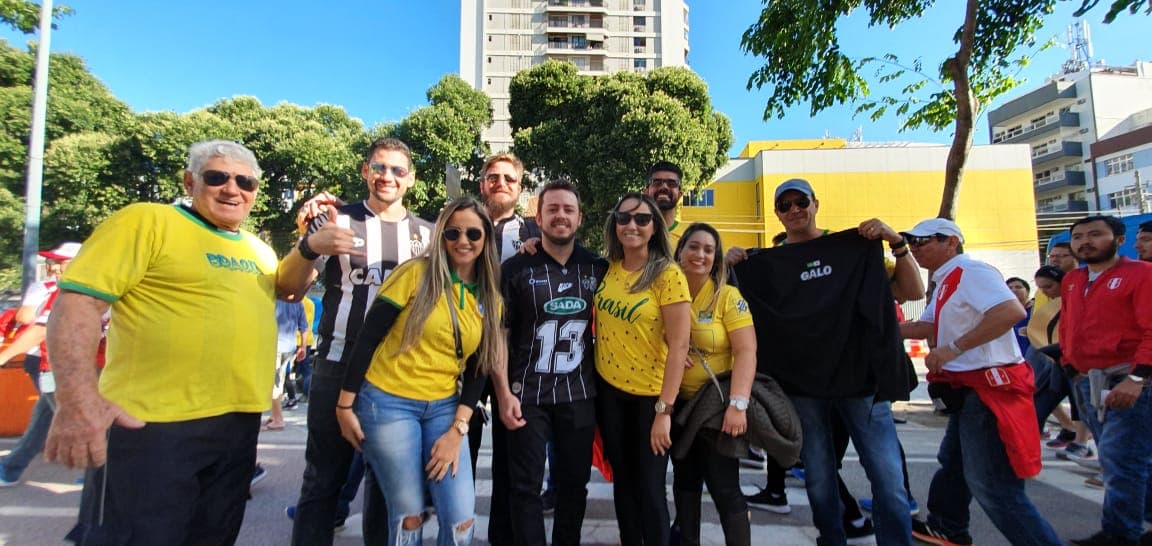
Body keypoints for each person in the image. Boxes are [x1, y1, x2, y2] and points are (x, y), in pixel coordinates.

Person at [44, 140, 280, 544]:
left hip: (238, 426)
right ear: (190, 181)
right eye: (217, 177)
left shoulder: (260, 251)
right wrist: (76, 400)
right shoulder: (146, 220)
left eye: (245, 182)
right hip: (151, 425)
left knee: (213, 537)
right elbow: (78, 304)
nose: (232, 189)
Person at [728, 178, 919, 545]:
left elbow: (912, 292)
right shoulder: (769, 263)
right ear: (777, 214)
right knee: (817, 475)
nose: (794, 210)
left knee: (887, 477)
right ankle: (831, 538)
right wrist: (729, 265)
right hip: (803, 388)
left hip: (861, 383)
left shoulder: (854, 248)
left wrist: (897, 243)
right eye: (785, 205)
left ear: (815, 204)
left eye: (801, 201)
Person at [278, 137, 432, 544]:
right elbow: (289, 290)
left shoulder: (428, 235)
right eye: (379, 167)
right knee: (322, 480)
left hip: (396, 372)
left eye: (398, 170)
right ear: (365, 171)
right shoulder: (335, 221)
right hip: (337, 363)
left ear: (411, 179)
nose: (387, 177)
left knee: (385, 487)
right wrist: (308, 246)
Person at [335, 197, 504, 546]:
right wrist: (344, 405)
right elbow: (368, 338)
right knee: (409, 515)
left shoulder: (491, 298)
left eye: (473, 233)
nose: (463, 240)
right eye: (453, 232)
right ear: (441, 236)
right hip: (388, 402)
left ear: (486, 238)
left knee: (461, 520)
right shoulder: (415, 274)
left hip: (444, 405)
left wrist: (458, 430)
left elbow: (478, 369)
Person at [899, 218, 1062, 546]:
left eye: (923, 240)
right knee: (954, 463)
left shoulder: (972, 272)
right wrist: (868, 328)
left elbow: (1010, 312)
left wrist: (954, 348)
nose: (915, 247)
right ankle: (947, 526)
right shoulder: (947, 279)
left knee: (993, 485)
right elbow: (926, 326)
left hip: (990, 389)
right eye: (911, 241)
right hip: (969, 388)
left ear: (951, 242)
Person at [492, 180, 607, 546]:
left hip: (578, 393)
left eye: (568, 209)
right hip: (527, 393)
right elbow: (499, 336)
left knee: (574, 485)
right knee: (524, 487)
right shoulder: (515, 269)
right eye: (552, 209)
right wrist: (503, 394)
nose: (561, 216)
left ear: (580, 218)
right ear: (538, 218)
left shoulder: (598, 268)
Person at [594, 192, 691, 546]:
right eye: (623, 218)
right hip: (609, 393)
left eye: (642, 219)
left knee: (650, 488)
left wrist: (664, 411)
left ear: (654, 228)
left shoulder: (668, 275)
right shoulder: (607, 268)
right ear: (614, 225)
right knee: (623, 482)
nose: (631, 225)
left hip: (651, 399)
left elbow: (680, 345)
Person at [1060, 215, 1152, 546]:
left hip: (1128, 380)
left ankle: (1120, 535)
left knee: (1120, 460)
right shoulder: (1073, 280)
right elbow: (1068, 324)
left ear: (1119, 240)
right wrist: (1069, 365)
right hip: (1086, 380)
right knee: (1121, 460)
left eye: (1095, 234)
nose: (1085, 241)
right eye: (1078, 236)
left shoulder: (1142, 274)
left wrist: (1137, 378)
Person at [669, 223, 755, 546]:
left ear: (716, 258)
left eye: (709, 249)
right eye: (693, 246)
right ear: (680, 251)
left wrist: (738, 404)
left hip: (716, 409)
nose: (700, 255)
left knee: (724, 488)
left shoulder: (728, 297)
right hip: (677, 406)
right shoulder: (664, 293)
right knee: (685, 483)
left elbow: (746, 351)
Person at [475, 152, 540, 546]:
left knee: (510, 461)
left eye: (509, 179)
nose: (501, 183)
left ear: (519, 187)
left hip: (515, 359)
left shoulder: (536, 231)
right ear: (482, 183)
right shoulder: (462, 224)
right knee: (455, 452)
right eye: (493, 177)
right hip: (463, 355)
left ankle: (502, 537)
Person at [0, 243, 80, 486]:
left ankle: (102, 476)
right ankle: (10, 468)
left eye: (60, 262)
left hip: (75, 367)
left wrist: (4, 356)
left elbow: (37, 327)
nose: (53, 267)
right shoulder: (58, 290)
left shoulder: (77, 290)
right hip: (51, 364)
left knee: (74, 421)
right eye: (51, 262)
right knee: (53, 417)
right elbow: (39, 328)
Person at [266, 300, 308, 430]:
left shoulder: (273, 299)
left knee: (275, 383)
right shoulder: (297, 302)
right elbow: (304, 327)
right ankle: (275, 415)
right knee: (280, 380)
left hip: (275, 345)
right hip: (289, 346)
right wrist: (303, 347)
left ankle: (278, 419)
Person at [643, 161, 687, 246]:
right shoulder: (634, 234)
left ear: (679, 195)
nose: (664, 187)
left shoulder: (689, 238)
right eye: (657, 182)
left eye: (671, 183)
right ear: (646, 193)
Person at [1006, 277, 1033, 355]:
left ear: (1027, 292)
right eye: (1009, 288)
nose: (1013, 290)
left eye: (1018, 287)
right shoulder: (1003, 313)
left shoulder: (1036, 309)